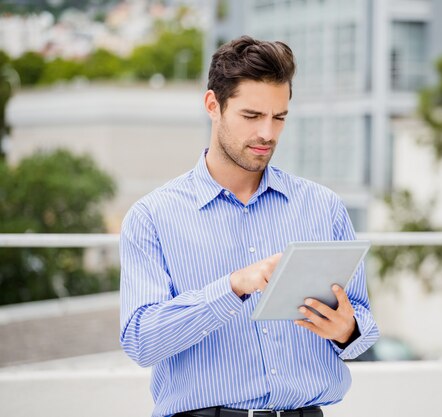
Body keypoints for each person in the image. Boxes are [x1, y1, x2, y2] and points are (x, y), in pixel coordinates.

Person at [119, 35, 379, 417]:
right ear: (213, 105)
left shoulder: (323, 208)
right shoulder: (152, 218)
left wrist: (347, 330)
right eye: (252, 116)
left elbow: (363, 324)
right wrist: (231, 288)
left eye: (279, 117)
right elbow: (141, 341)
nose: (268, 134)